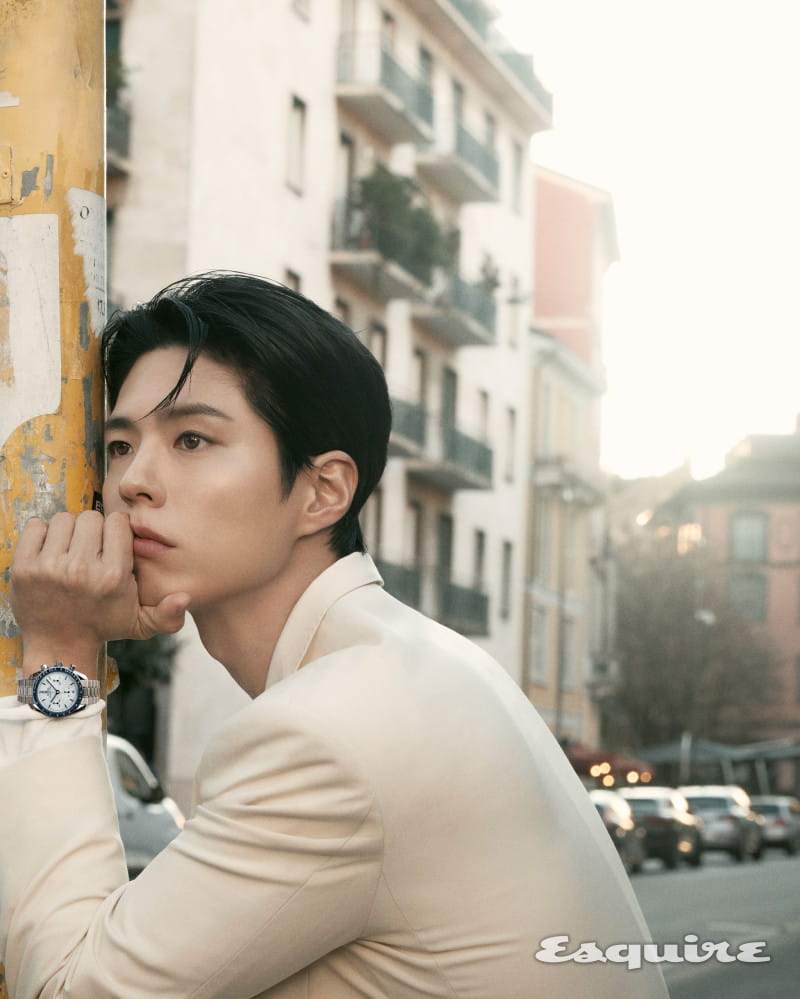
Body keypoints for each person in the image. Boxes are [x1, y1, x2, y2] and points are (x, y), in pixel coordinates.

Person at [0, 272, 667, 998]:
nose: (133, 481)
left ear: (323, 492)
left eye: (192, 439)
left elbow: (66, 989)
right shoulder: (413, 666)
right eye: (120, 444)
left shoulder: (332, 731)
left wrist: (61, 656)